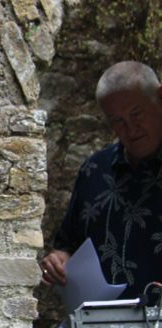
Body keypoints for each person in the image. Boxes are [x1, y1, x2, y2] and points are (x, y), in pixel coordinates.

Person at [40, 61, 162, 298]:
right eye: (117, 121)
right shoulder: (94, 170)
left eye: (136, 114)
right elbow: (67, 246)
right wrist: (58, 263)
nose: (131, 128)